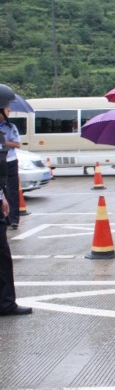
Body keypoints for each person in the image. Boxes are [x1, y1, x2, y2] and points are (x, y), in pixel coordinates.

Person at [0, 84, 31, 316]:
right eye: (8, 106)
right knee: (2, 257)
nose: (10, 109)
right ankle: (6, 303)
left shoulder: (5, 132)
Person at [0, 92, 21, 230]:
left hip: (10, 161)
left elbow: (17, 144)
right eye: (8, 108)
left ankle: (13, 219)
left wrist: (3, 142)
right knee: (4, 191)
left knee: (12, 191)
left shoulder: (11, 127)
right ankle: (4, 218)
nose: (10, 110)